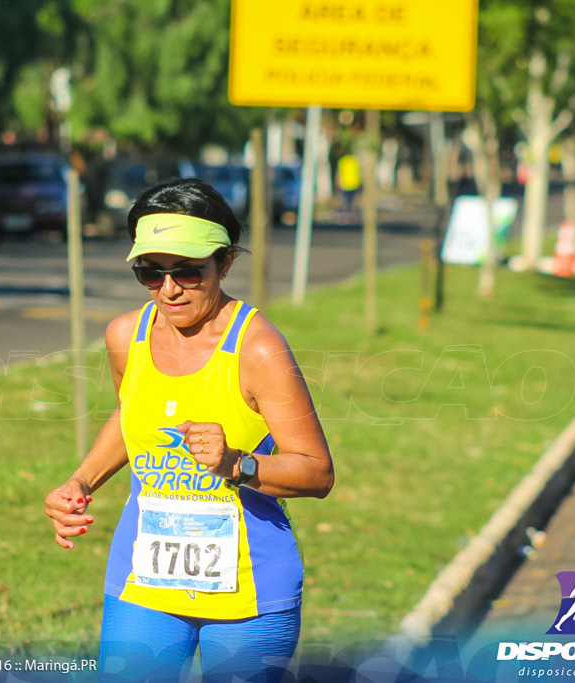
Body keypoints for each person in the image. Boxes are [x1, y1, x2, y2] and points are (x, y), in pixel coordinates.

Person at [44, 177, 334, 681]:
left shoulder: (257, 349)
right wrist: (82, 482)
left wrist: (235, 463)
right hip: (145, 581)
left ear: (226, 263)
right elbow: (131, 414)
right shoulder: (124, 336)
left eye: (187, 272)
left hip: (249, 591)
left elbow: (317, 472)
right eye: (150, 274)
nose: (169, 289)